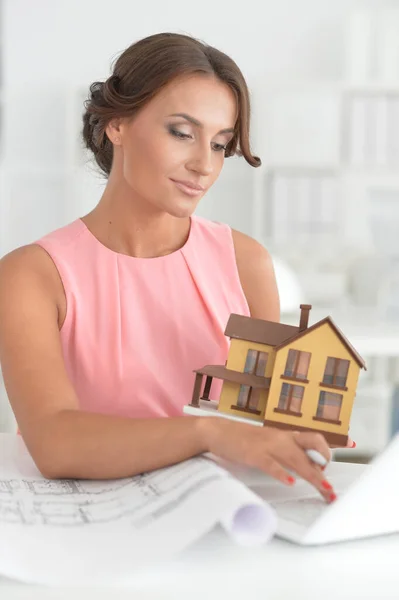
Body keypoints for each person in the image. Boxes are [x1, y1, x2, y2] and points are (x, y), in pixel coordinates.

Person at [0, 32, 347, 502]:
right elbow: (55, 443)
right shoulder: (31, 276)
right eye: (182, 133)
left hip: (224, 516)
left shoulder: (245, 263)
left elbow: (267, 420)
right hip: (83, 525)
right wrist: (207, 433)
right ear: (117, 124)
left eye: (221, 144)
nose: (204, 164)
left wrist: (304, 433)